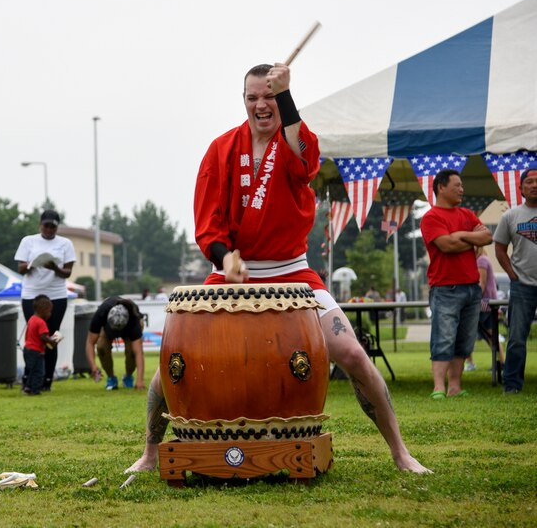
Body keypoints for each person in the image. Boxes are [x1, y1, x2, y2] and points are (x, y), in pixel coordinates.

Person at [126, 63, 431, 474]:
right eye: (253, 98)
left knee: (353, 354)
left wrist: (287, 96)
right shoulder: (220, 149)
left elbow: (304, 165)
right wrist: (224, 256)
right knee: (174, 358)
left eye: (269, 97)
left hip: (293, 271)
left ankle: (399, 452)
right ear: (244, 101)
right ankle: (149, 452)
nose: (261, 105)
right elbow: (208, 220)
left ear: (280, 98)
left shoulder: (295, 137)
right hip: (234, 273)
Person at [420, 169, 493, 399]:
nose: (462, 189)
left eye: (462, 185)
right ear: (441, 187)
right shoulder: (431, 217)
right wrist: (470, 238)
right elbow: (446, 246)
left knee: (464, 339)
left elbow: (487, 237)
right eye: (457, 185)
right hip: (445, 287)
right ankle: (438, 387)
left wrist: (458, 235)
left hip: (472, 287)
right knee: (443, 338)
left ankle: (455, 387)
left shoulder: (467, 213)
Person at [14, 209, 75, 391]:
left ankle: (47, 378)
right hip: (32, 294)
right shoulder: (28, 241)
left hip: (56, 295)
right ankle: (31, 378)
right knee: (34, 337)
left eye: (53, 226)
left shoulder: (65, 243)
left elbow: (68, 272)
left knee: (52, 336)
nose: (49, 229)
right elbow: (21, 268)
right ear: (40, 225)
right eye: (46, 225)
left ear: (57, 227)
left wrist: (55, 268)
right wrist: (32, 264)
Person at [494, 166, 537, 395]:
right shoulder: (510, 216)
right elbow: (499, 249)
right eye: (529, 182)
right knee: (517, 338)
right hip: (522, 286)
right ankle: (512, 385)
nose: (534, 185)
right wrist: (512, 275)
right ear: (520, 188)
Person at [86, 297, 146, 390]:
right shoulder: (101, 313)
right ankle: (111, 377)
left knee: (132, 352)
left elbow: (138, 352)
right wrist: (93, 366)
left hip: (130, 326)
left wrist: (140, 380)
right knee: (101, 347)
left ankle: (128, 376)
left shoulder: (133, 320)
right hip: (107, 328)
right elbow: (90, 342)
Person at [465, 246, 505, 372]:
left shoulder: (481, 260)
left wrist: (470, 300)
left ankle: (470, 363)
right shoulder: (483, 259)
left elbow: (481, 284)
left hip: (483, 305)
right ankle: (502, 363)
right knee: (491, 336)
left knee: (466, 334)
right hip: (489, 304)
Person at [22, 294, 57, 396]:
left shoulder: (32, 319)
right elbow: (42, 336)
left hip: (28, 349)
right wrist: (51, 341)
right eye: (50, 311)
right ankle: (35, 390)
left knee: (32, 370)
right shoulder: (41, 322)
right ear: (44, 310)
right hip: (36, 351)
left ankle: (28, 387)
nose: (50, 314)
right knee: (39, 372)